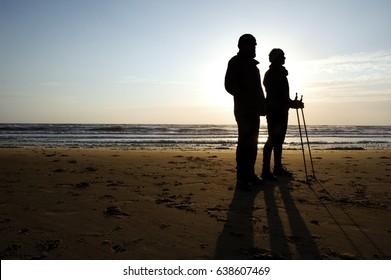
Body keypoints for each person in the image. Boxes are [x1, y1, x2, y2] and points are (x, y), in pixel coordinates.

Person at [225, 34, 266, 190]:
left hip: (254, 109)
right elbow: (229, 85)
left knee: (253, 142)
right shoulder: (235, 62)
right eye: (252, 45)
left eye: (255, 45)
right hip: (243, 110)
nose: (254, 48)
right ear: (242, 46)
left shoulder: (254, 67)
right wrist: (246, 98)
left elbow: (259, 89)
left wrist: (262, 104)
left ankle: (250, 174)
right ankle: (242, 178)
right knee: (244, 142)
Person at [261, 48, 303, 181]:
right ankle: (266, 170)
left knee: (278, 140)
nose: (285, 58)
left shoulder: (279, 73)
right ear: (276, 58)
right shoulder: (272, 74)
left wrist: (291, 103)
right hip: (275, 112)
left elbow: (282, 96)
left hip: (281, 111)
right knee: (273, 139)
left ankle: (277, 168)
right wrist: (292, 103)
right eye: (282, 56)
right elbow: (276, 96)